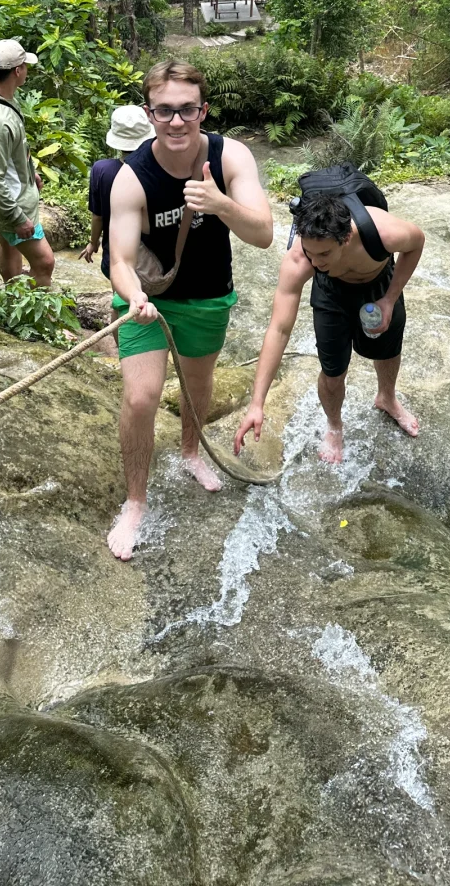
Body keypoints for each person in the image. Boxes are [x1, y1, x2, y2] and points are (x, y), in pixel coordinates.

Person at [106, 59, 274, 559]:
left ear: (204, 110)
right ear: (149, 114)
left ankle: (190, 453)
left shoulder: (231, 156)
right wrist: (134, 295)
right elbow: (119, 260)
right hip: (147, 300)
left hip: (208, 296)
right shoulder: (131, 177)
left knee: (198, 384)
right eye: (164, 111)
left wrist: (221, 204)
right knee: (141, 398)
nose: (176, 121)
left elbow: (264, 234)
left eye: (186, 110)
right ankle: (135, 502)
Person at [234, 190, 425, 465]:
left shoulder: (383, 232)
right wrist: (257, 403)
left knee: (387, 349)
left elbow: (417, 242)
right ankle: (334, 425)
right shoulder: (301, 260)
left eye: (324, 253)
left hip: (379, 283)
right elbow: (279, 329)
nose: (316, 262)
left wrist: (390, 299)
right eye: (310, 253)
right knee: (333, 372)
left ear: (345, 238)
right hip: (331, 294)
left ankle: (387, 398)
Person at [0, 39, 54, 290]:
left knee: (9, 246)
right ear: (17, 71)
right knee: (44, 262)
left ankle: (12, 297)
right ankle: (37, 308)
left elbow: (9, 152)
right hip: (12, 203)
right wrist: (17, 217)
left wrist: (29, 172)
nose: (27, 70)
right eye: (25, 66)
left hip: (11, 195)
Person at [79, 105, 155, 280]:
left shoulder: (101, 170)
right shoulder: (160, 170)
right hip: (155, 262)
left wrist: (93, 243)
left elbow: (98, 217)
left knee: (122, 291)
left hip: (116, 257)